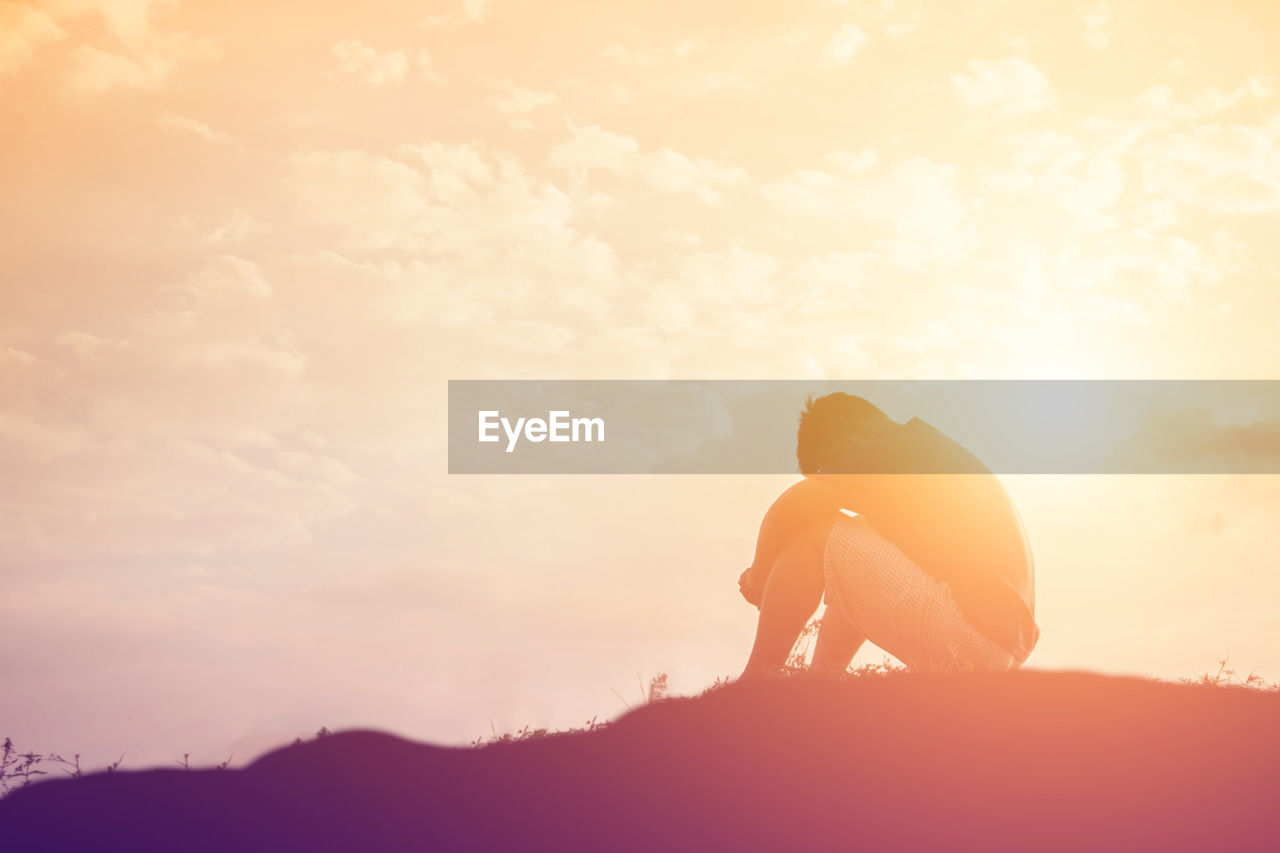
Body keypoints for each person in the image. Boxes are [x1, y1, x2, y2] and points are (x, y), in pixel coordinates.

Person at [738, 392, 1039, 678]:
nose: (834, 475)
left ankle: (757, 682)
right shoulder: (923, 455)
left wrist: (758, 577)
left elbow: (789, 509)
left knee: (813, 536)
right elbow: (860, 570)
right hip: (998, 648)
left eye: (828, 467)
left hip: (972, 632)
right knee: (851, 548)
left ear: (855, 432)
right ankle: (822, 681)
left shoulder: (894, 447)